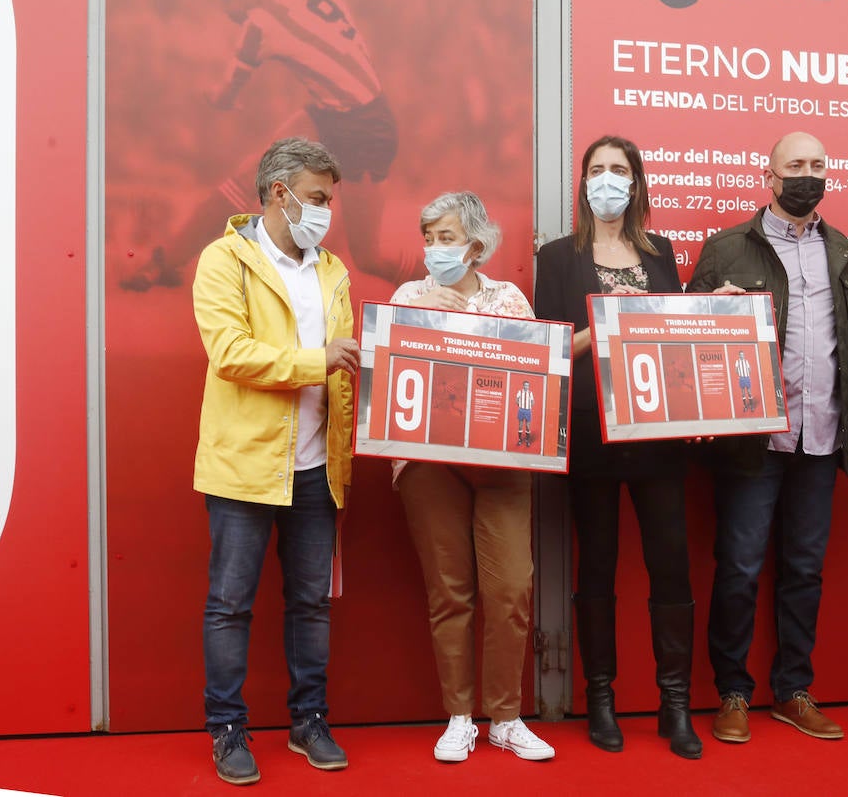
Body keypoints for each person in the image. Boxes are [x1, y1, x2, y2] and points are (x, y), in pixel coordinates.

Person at [122, 0, 441, 291]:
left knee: (369, 256)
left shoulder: (257, 23)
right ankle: (165, 262)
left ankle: (441, 288)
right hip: (329, 115)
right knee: (245, 178)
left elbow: (227, 91)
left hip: (366, 130)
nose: (225, 7)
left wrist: (215, 98)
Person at [192, 137, 358, 785]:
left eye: (330, 198)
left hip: (318, 468)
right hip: (244, 467)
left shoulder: (333, 270)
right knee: (229, 603)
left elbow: (345, 368)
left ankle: (308, 718)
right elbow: (230, 351)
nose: (326, 210)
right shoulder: (223, 260)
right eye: (317, 197)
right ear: (277, 193)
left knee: (311, 603)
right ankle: (227, 726)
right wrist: (322, 361)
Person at [533, 135, 702, 759]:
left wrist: (708, 313)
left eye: (619, 170)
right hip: (589, 432)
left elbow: (672, 336)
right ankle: (599, 698)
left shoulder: (661, 254)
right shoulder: (556, 259)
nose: (607, 180)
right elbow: (550, 349)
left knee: (671, 563)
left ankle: (674, 703)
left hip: (656, 433)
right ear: (583, 184)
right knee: (597, 565)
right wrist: (610, 322)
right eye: (597, 170)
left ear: (636, 183)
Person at [687, 130, 848, 745]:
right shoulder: (728, 247)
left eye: (818, 164)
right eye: (795, 166)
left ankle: (792, 691)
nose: (807, 175)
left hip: (822, 438)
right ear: (769, 175)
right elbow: (687, 331)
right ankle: (733, 691)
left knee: (805, 570)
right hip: (753, 440)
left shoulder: (840, 248)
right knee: (737, 566)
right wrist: (711, 308)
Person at [388, 191, 555, 765]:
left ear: (477, 245)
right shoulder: (409, 294)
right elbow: (391, 373)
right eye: (429, 237)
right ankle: (461, 716)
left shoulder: (509, 297)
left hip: (504, 463)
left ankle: (506, 718)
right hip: (428, 463)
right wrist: (428, 314)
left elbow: (532, 370)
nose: (436, 248)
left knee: (510, 589)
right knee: (450, 591)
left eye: (447, 237)